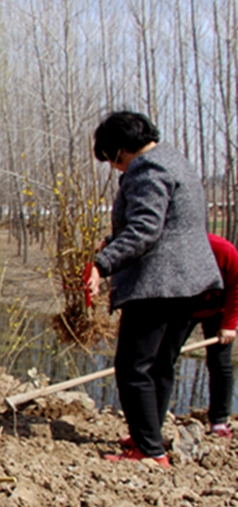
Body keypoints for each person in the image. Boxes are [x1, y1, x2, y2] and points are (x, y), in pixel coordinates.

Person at [86, 111, 222, 469]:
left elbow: (146, 229)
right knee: (160, 364)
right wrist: (113, 241)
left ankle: (148, 450)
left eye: (112, 159)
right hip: (189, 282)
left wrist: (102, 264)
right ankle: (148, 435)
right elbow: (168, 223)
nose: (115, 168)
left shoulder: (147, 168)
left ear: (120, 149)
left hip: (159, 284)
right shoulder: (175, 160)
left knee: (132, 366)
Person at [184, 234, 238, 437]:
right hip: (182, 311)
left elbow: (237, 286)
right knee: (164, 360)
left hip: (219, 311)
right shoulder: (180, 249)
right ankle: (154, 421)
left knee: (220, 364)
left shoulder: (224, 251)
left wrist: (229, 325)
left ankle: (219, 421)